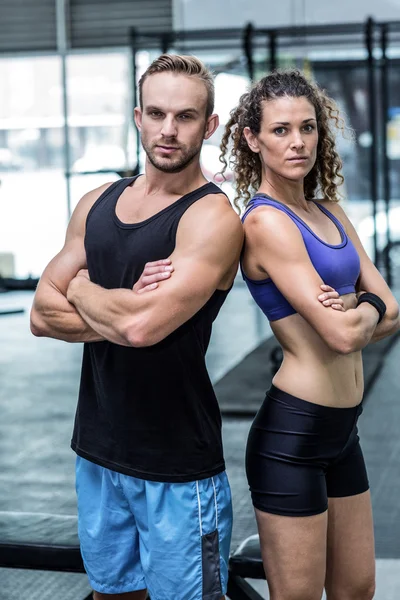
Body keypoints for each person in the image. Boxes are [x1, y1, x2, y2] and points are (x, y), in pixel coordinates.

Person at [30, 54, 243, 600]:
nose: (169, 130)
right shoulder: (96, 203)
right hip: (98, 450)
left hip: (178, 465)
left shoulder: (212, 218)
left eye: (186, 116)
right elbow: (38, 315)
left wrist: (77, 288)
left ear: (210, 125)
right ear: (138, 117)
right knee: (111, 595)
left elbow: (143, 328)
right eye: (157, 113)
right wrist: (120, 307)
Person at [219, 69, 400, 600]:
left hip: (344, 432)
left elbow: (392, 310)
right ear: (252, 138)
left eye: (307, 127)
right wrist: (364, 305)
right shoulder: (265, 222)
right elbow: (344, 335)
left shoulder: (329, 211)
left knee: (356, 590)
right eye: (280, 130)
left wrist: (356, 306)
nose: (297, 141)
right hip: (292, 438)